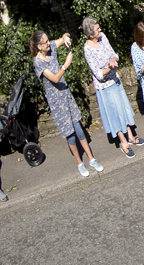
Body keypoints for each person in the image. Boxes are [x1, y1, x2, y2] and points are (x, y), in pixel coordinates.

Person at [31, 30, 103, 177]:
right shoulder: (38, 62)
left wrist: (66, 38)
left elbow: (63, 37)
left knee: (79, 130)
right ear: (39, 46)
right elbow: (55, 78)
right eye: (45, 42)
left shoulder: (50, 48)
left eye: (48, 40)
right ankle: (79, 163)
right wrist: (65, 65)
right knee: (70, 136)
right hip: (57, 104)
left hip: (67, 97)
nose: (48, 43)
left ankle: (92, 159)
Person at [81, 17, 144, 156]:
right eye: (97, 29)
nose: (100, 30)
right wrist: (109, 67)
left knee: (123, 109)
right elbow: (98, 74)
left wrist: (113, 60)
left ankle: (131, 137)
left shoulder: (102, 37)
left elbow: (114, 54)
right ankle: (123, 142)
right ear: (91, 34)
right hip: (105, 87)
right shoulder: (88, 49)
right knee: (115, 114)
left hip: (115, 80)